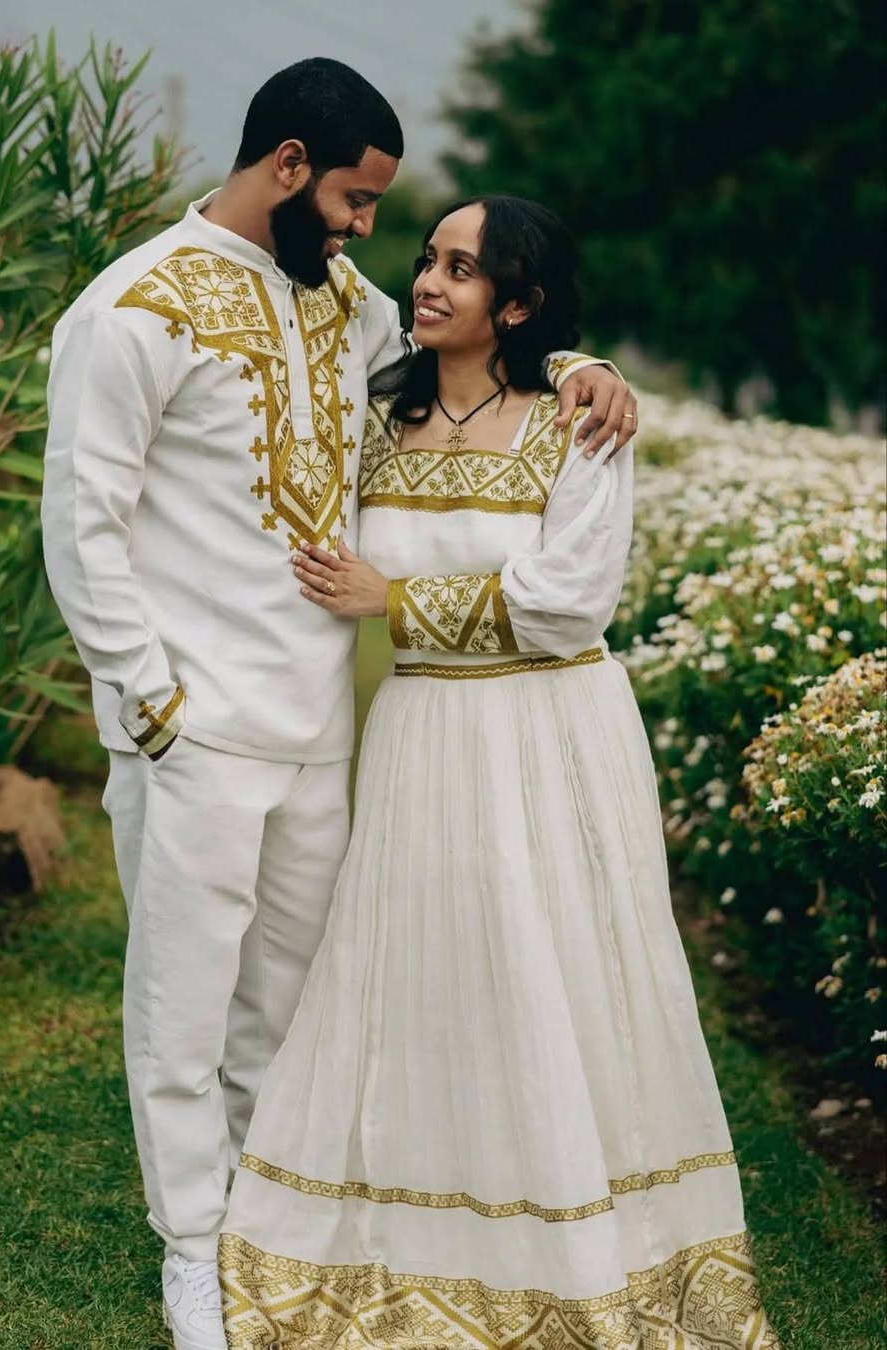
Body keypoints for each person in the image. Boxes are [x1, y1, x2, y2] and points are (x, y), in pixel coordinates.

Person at [41, 56, 636, 1349]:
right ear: (291, 169)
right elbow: (80, 526)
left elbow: (484, 339)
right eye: (360, 203)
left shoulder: (341, 305)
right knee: (183, 1009)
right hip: (195, 729)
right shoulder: (132, 309)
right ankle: (191, 1249)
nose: (374, 238)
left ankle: (270, 1220)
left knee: (291, 1005)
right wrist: (152, 706)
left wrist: (584, 365)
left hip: (323, 730)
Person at [219, 196, 779, 1350]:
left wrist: (398, 600)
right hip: (424, 734)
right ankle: (421, 1228)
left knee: (552, 970)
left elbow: (571, 601)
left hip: (551, 730)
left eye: (460, 270)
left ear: (515, 304)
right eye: (426, 257)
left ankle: (578, 1235)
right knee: (428, 970)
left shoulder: (575, 427)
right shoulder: (383, 416)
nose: (426, 280)